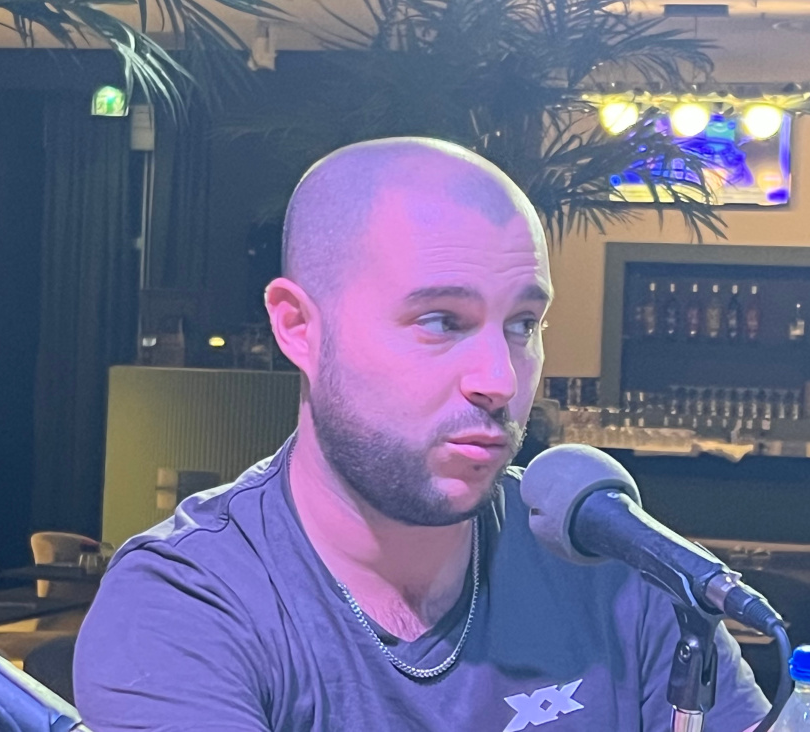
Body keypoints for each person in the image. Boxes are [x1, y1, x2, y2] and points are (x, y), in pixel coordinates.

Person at [74, 137, 769, 731]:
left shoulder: (612, 567)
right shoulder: (187, 601)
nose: (499, 379)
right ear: (299, 327)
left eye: (523, 325)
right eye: (441, 321)